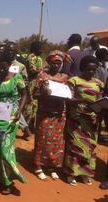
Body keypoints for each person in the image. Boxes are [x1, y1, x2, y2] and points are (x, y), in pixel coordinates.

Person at [0, 51, 28, 195]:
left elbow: (25, 94)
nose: (2, 69)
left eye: (5, 66)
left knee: (5, 148)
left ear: (10, 65)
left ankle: (8, 180)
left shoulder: (16, 77)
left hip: (11, 117)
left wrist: (19, 111)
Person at [64, 55, 104, 186]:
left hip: (92, 120)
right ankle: (71, 173)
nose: (91, 72)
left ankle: (85, 173)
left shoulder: (99, 83)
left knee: (90, 147)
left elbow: (100, 99)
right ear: (82, 68)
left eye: (94, 70)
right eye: (88, 69)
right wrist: (81, 100)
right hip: (77, 119)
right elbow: (68, 99)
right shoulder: (74, 81)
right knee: (75, 146)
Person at [32, 51, 70, 181]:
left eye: (59, 63)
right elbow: (34, 94)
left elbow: (68, 94)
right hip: (45, 112)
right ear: (49, 62)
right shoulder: (42, 76)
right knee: (42, 139)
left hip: (59, 113)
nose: (56, 65)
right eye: (54, 62)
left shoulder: (65, 77)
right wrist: (43, 94)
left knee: (57, 141)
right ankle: (38, 166)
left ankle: (52, 166)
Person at [6, 42, 30, 139]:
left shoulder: (20, 66)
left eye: (13, 50)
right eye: (8, 50)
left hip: (15, 94)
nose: (10, 52)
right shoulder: (1, 62)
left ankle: (25, 129)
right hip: (3, 92)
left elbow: (25, 80)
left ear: (16, 52)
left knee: (15, 111)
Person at [24, 41, 44, 132]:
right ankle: (25, 127)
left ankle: (32, 126)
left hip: (38, 83)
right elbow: (33, 70)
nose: (42, 50)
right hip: (31, 83)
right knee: (29, 105)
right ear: (35, 48)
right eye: (40, 48)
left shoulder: (39, 58)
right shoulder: (31, 57)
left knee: (35, 106)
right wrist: (43, 70)